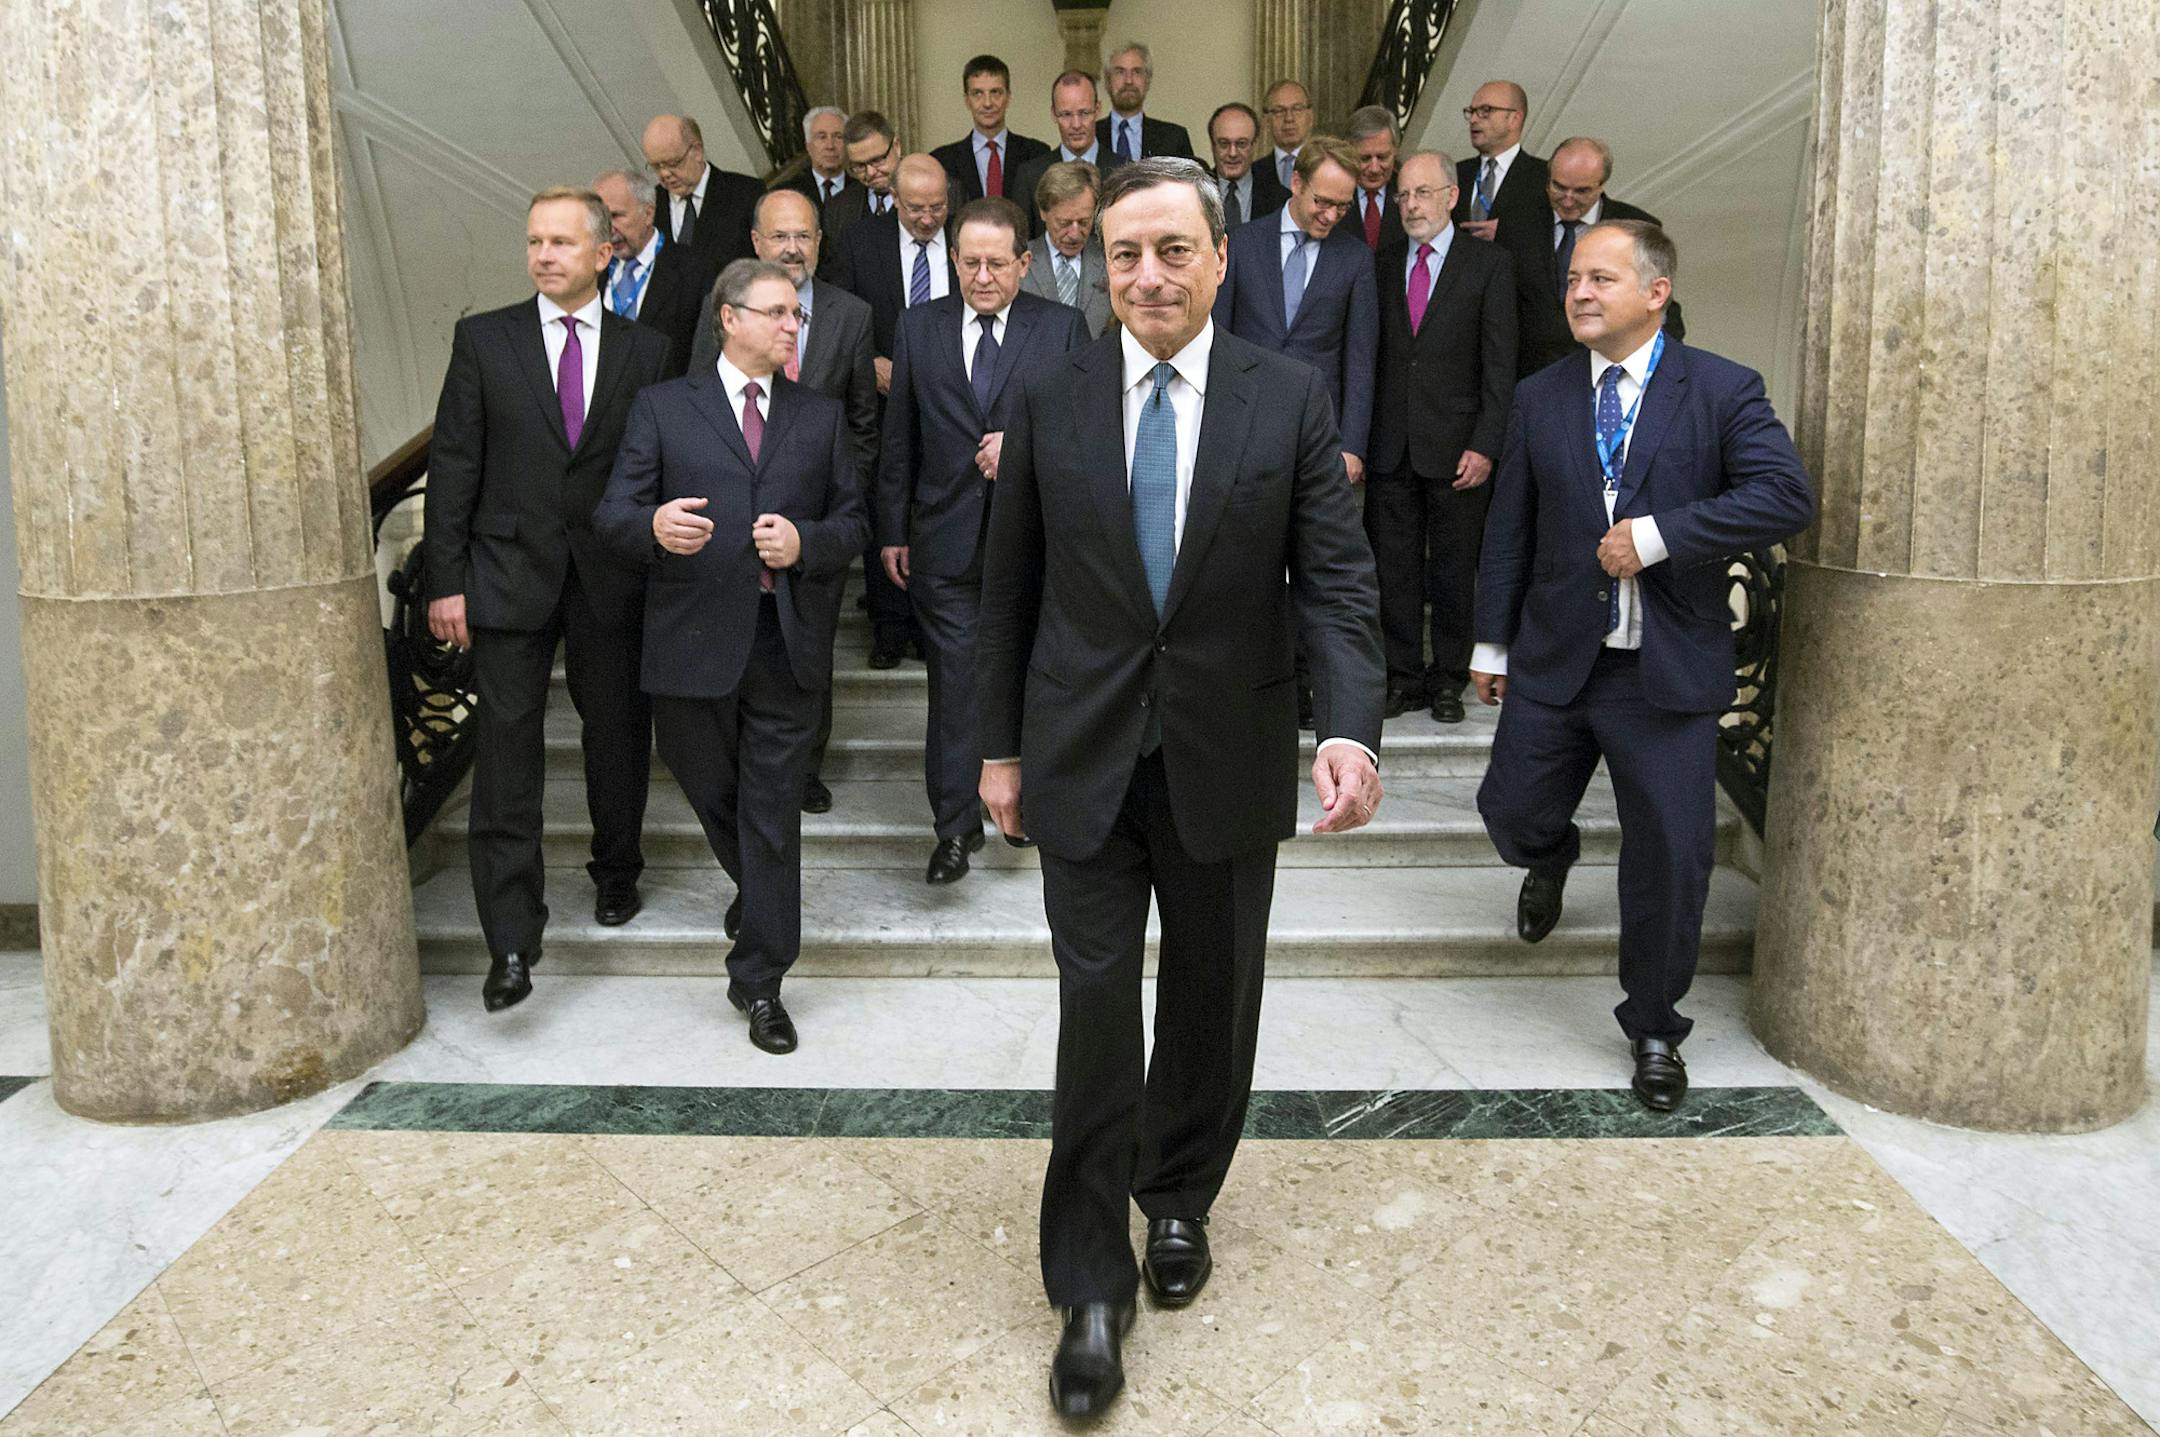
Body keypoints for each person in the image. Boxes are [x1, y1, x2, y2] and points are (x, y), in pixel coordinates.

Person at [976, 157, 1384, 1418]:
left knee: (1211, 998)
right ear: (1101, 267)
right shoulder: (1052, 392)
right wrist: (995, 750)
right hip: (1081, 755)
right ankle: (1088, 1288)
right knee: (1099, 1013)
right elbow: (1008, 593)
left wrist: (1351, 726)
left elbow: (1336, 579)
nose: (1145, 276)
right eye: (1122, 256)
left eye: (1169, 251)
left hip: (1226, 749)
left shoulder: (1289, 397)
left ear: (1218, 257)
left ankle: (1179, 1198)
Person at [1472, 221, 1814, 1111]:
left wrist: (1660, 537)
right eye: (1574, 278)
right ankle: (1551, 854)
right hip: (1558, 658)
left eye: (1601, 278)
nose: (1579, 292)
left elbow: (1785, 495)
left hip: (1665, 670)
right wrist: (1489, 641)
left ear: (1656, 291)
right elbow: (1510, 522)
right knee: (1508, 810)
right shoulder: (1540, 394)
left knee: (1670, 857)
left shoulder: (1723, 389)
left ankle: (1656, 1023)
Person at [594, 259, 868, 1054]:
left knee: (773, 810)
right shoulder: (663, 408)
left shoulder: (817, 418)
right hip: (689, 644)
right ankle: (761, 892)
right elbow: (614, 512)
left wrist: (804, 542)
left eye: (797, 315)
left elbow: (853, 520)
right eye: (778, 313)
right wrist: (651, 527)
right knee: (714, 789)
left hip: (782, 644)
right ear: (729, 317)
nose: (793, 327)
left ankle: (761, 979)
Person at [424, 188, 673, 1011]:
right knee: (505, 761)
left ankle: (616, 873)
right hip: (505, 578)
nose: (544, 255)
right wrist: (446, 580)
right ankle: (511, 938)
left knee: (616, 736)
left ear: (606, 253)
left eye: (562, 242)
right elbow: (455, 466)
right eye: (535, 241)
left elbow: (662, 466)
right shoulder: (483, 339)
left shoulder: (650, 349)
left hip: (611, 574)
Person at [881, 197, 1089, 885]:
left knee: (1035, 677)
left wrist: (1025, 447)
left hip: (1037, 542)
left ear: (1024, 263)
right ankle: (952, 828)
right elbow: (899, 437)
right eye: (968, 262)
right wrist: (891, 529)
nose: (982, 276)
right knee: (956, 683)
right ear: (952, 261)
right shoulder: (918, 327)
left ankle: (1026, 807)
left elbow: (1093, 436)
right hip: (945, 541)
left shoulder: (1061, 328)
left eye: (997, 263)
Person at [693, 190, 882, 815]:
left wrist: (838, 495)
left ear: (820, 242)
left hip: (817, 518)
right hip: (734, 514)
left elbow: (861, 416)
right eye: (780, 237)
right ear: (756, 243)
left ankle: (806, 769)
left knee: (813, 647)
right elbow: (702, 399)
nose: (793, 248)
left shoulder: (851, 314)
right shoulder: (723, 309)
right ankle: (749, 764)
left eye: (804, 236)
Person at [1367, 150, 1515, 724]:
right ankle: (1401, 677)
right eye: (1404, 195)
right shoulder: (1380, 265)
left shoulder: (1489, 265)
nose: (1410, 205)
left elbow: (1500, 366)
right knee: (1393, 569)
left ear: (1452, 196)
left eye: (1423, 193)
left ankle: (1449, 677)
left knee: (1454, 569)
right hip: (1391, 445)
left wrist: (1487, 443)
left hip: (1460, 450)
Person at [827, 152, 958, 667]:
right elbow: (840, 316)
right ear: (894, 201)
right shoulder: (862, 242)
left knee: (939, 510)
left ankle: (928, 623)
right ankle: (887, 625)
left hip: (948, 402)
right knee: (886, 504)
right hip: (880, 398)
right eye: (916, 209)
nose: (928, 219)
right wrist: (871, 362)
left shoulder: (963, 239)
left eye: (937, 207)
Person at [1516, 136, 1686, 375]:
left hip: (1610, 369)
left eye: (1581, 191)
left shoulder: (1637, 225)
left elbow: (1661, 308)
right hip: (1533, 374)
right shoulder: (1518, 222)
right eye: (1559, 187)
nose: (1567, 198)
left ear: (1602, 184)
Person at [594, 167, 702, 379]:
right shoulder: (590, 274)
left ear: (648, 213)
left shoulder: (694, 270)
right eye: (601, 219)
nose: (609, 228)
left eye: (616, 216)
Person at [641, 114, 761, 286]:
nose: (664, 174)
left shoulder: (746, 193)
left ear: (697, 151)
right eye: (656, 166)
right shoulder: (648, 208)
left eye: (673, 163)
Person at [1012, 70, 1126, 235]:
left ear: (1098, 109)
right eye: (1066, 114)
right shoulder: (1030, 176)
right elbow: (1021, 244)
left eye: (1084, 113)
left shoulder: (1123, 172)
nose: (1076, 124)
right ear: (1053, 114)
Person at [931, 55, 1051, 204]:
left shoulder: (1037, 154)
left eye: (995, 92)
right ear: (967, 100)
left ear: (1008, 97)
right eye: (977, 93)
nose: (987, 103)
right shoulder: (942, 161)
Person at [1451, 81, 1548, 263]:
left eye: (1485, 110)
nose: (1473, 119)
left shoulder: (1544, 177)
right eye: (1471, 111)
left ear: (1514, 119)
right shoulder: (1456, 173)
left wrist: (1507, 234)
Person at [1018, 161, 1113, 337]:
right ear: (1043, 212)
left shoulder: (1109, 259)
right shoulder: (1018, 262)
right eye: (1064, 223)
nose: (1075, 234)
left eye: (1084, 222)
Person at [1096, 43, 1194, 161]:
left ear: (1147, 80)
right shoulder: (1090, 137)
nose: (1128, 81)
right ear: (1107, 81)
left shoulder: (1174, 138)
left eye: (1137, 72)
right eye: (1120, 72)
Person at [1346, 105, 1407, 251]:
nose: (1374, 168)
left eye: (1382, 157)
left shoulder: (1410, 193)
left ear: (1395, 151)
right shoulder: (1333, 193)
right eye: (1365, 158)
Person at [779, 106, 854, 211]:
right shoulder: (786, 193)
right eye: (822, 137)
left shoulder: (863, 192)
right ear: (808, 146)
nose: (830, 146)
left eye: (838, 137)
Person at [1205, 102, 1267, 228]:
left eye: (1241, 144)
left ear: (1254, 145)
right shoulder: (1196, 194)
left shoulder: (1279, 197)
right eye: (1224, 144)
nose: (1232, 153)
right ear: (1212, 145)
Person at [1256, 79, 1311, 210]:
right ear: (1266, 120)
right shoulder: (1254, 173)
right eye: (1279, 111)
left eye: (1297, 109)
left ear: (1310, 117)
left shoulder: (1323, 168)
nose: (1289, 118)